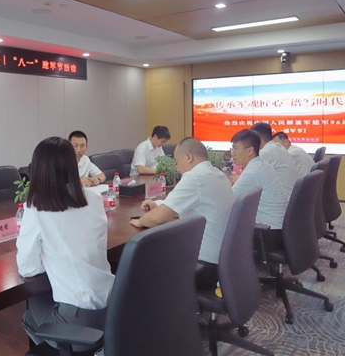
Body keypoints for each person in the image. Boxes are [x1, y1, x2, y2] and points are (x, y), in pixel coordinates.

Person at [16, 137, 114, 353]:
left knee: (28, 314)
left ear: (38, 170)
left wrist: (50, 257)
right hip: (113, 307)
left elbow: (28, 268)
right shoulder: (93, 198)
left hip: (79, 321)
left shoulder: (36, 207)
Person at [130, 137, 234, 289]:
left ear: (189, 157)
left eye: (177, 162)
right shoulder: (216, 174)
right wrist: (159, 205)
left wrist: (140, 221)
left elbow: (157, 219)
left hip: (203, 264)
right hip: (222, 260)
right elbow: (193, 205)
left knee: (144, 255)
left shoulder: (194, 177)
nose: (177, 168)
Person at [229, 129, 290, 230]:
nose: (232, 153)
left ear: (250, 150)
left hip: (268, 231)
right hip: (277, 226)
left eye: (235, 148)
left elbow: (228, 201)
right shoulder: (260, 165)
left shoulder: (253, 171)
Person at [249, 122, 298, 194]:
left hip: (282, 198)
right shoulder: (277, 147)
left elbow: (250, 180)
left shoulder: (266, 152)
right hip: (289, 195)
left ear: (258, 139)